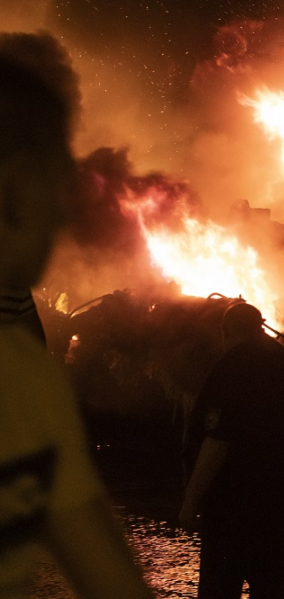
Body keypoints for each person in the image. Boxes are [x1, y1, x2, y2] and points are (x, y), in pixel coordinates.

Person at [1, 55, 155, 598]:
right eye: (57, 181)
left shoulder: (24, 374)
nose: (65, 216)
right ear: (15, 186)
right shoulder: (21, 382)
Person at [180, 302, 284, 599]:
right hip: (279, 504)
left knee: (220, 587)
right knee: (271, 589)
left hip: (233, 507)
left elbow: (218, 441)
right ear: (261, 329)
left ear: (225, 332)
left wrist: (190, 499)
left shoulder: (231, 368)